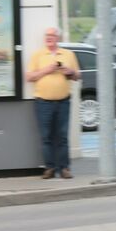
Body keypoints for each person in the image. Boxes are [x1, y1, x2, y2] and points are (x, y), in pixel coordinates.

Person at [26, 27, 80, 179]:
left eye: (52, 35)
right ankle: (49, 168)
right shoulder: (38, 55)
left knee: (62, 136)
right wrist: (47, 70)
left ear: (58, 38)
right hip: (43, 103)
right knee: (46, 136)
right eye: (47, 35)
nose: (49, 38)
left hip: (63, 102)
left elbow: (77, 76)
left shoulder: (68, 54)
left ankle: (64, 168)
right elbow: (29, 77)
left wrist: (70, 72)